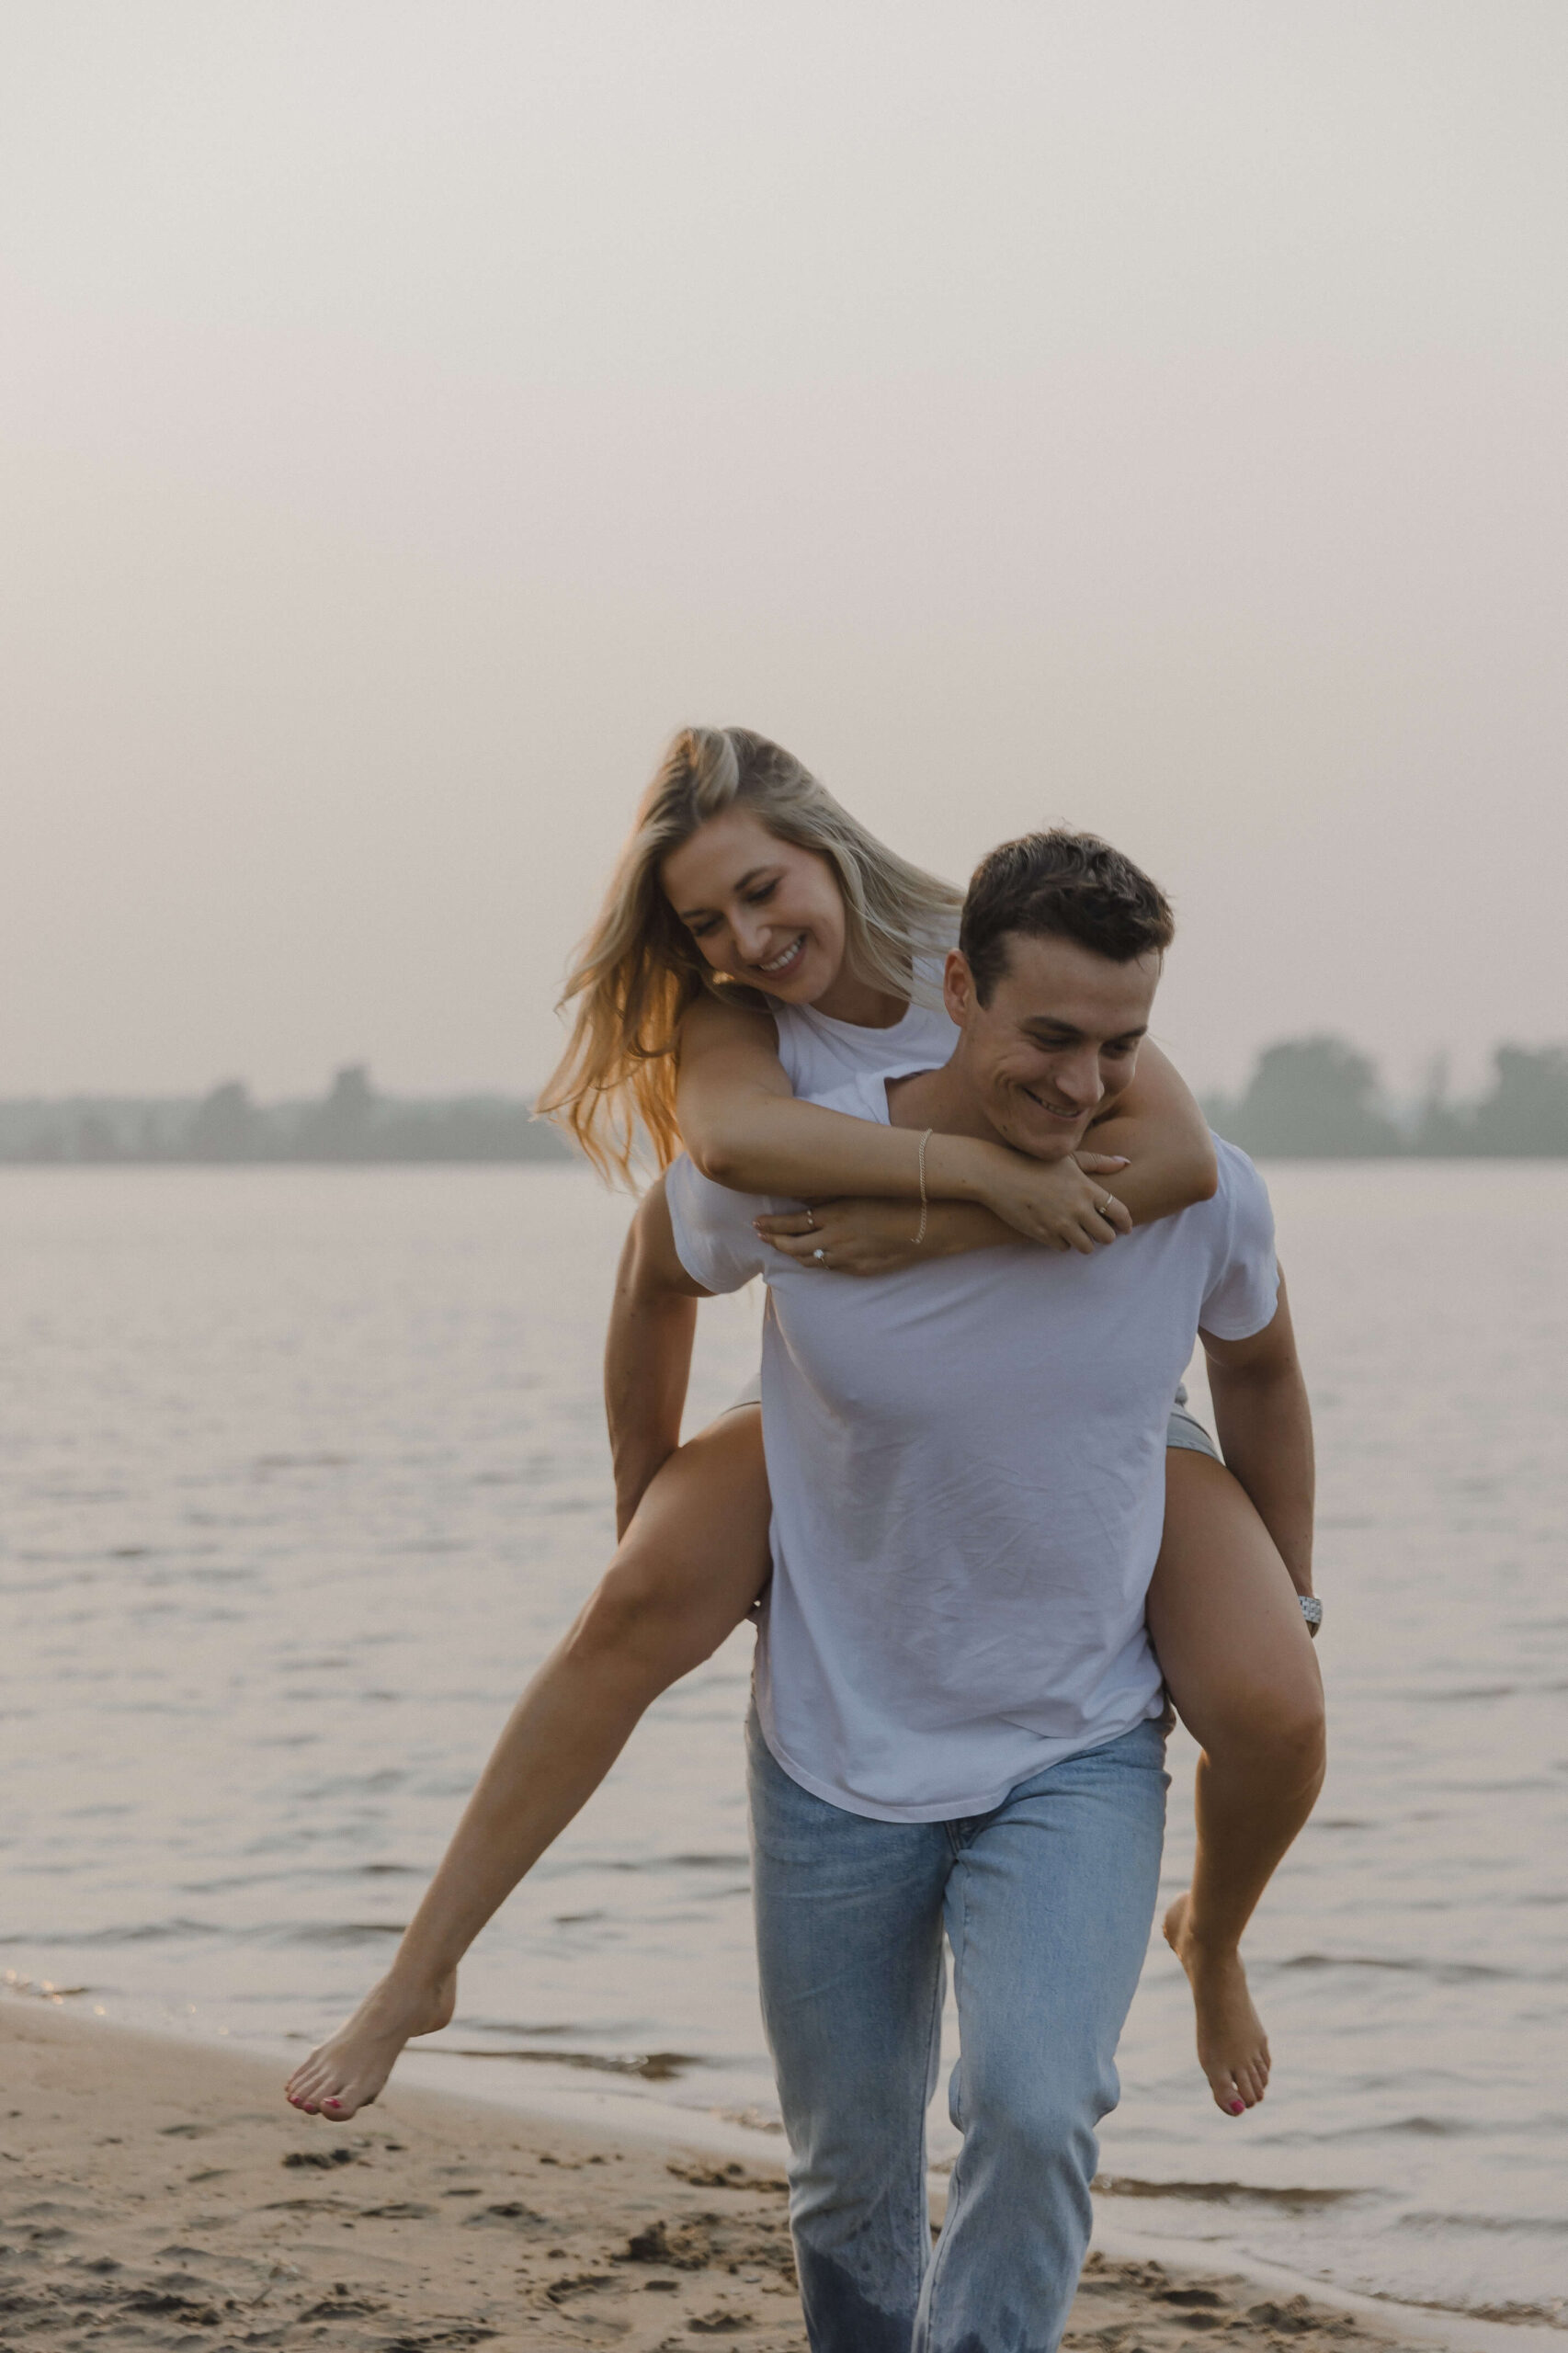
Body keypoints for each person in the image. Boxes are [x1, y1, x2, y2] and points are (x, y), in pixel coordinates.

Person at [285, 729, 1322, 2134]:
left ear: (824, 844)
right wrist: (647, 1492)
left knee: (1272, 1708)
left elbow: (1186, 1164)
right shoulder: (736, 1027)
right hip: (855, 1388)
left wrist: (931, 1217)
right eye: (705, 919)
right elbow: (702, 1189)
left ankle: (1211, 1937)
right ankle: (420, 1971)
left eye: (764, 890)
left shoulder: (999, 947)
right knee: (636, 1602)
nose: (749, 936)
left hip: (1086, 1397)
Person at [630, 828, 1311, 2349]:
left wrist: (1292, 1584)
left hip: (1074, 1735)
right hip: (835, 1736)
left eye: (1120, 1047)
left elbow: (1259, 1361)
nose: (1082, 1086)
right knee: (846, 2173)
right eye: (1049, 1038)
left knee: (1035, 2105)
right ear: (955, 995)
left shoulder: (1187, 1187)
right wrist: (654, 1498)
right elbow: (655, 1272)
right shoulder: (807, 1174)